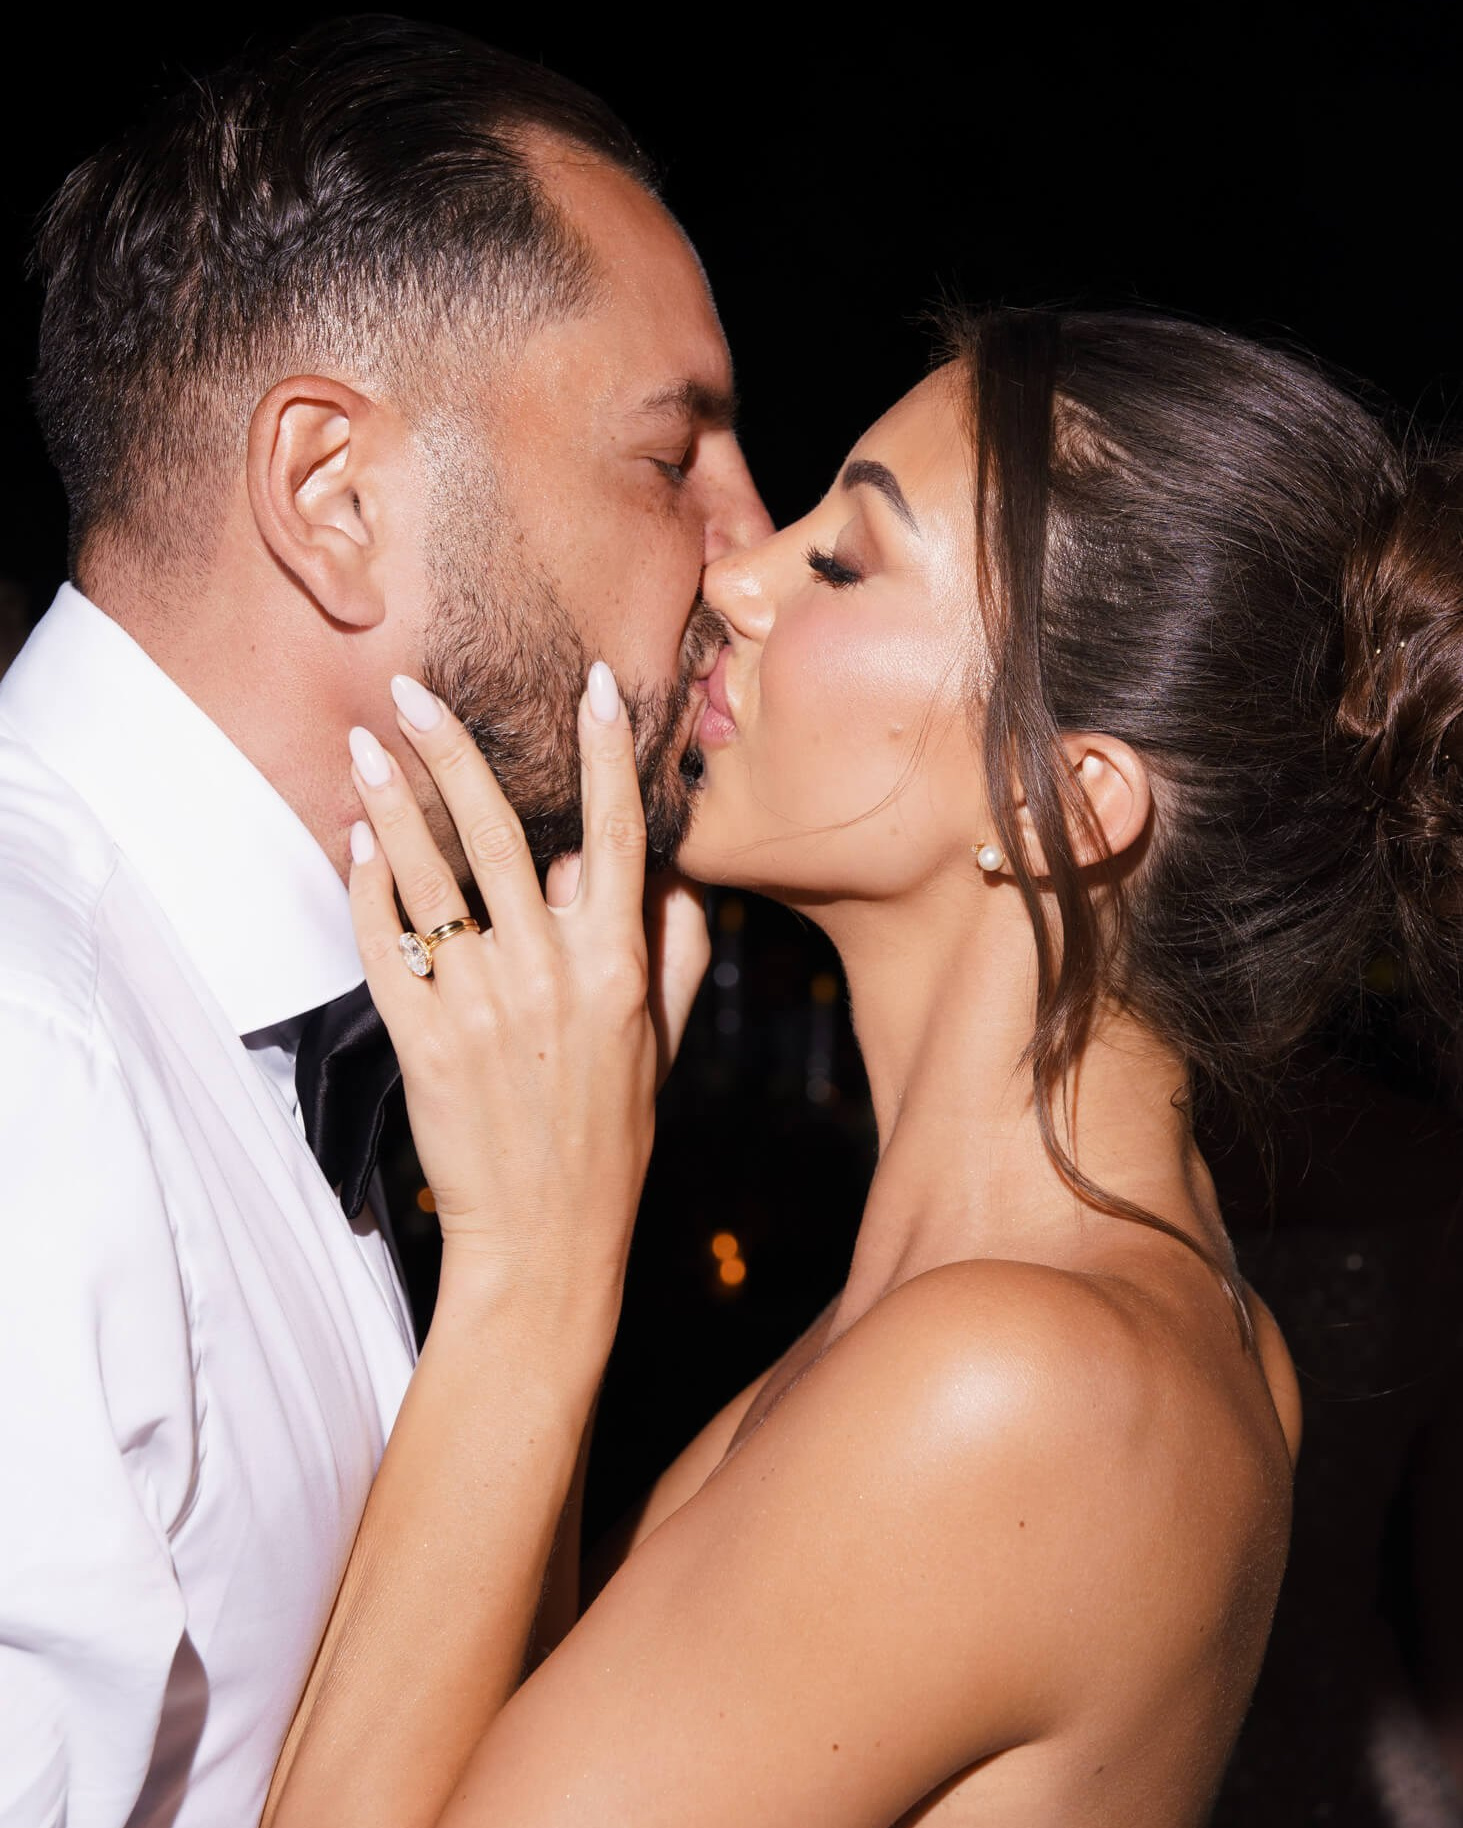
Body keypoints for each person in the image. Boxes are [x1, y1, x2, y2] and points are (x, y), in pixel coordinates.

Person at [264, 307, 1463, 1827]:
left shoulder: (1017, 1387)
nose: (733, 574)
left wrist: (531, 1275)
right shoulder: (1038, 1310)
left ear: (1059, 808)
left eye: (842, 562)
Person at [0, 18, 767, 1825]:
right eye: (673, 460)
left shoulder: (298, 1020)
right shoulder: (27, 1061)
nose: (747, 553)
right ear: (334, 496)